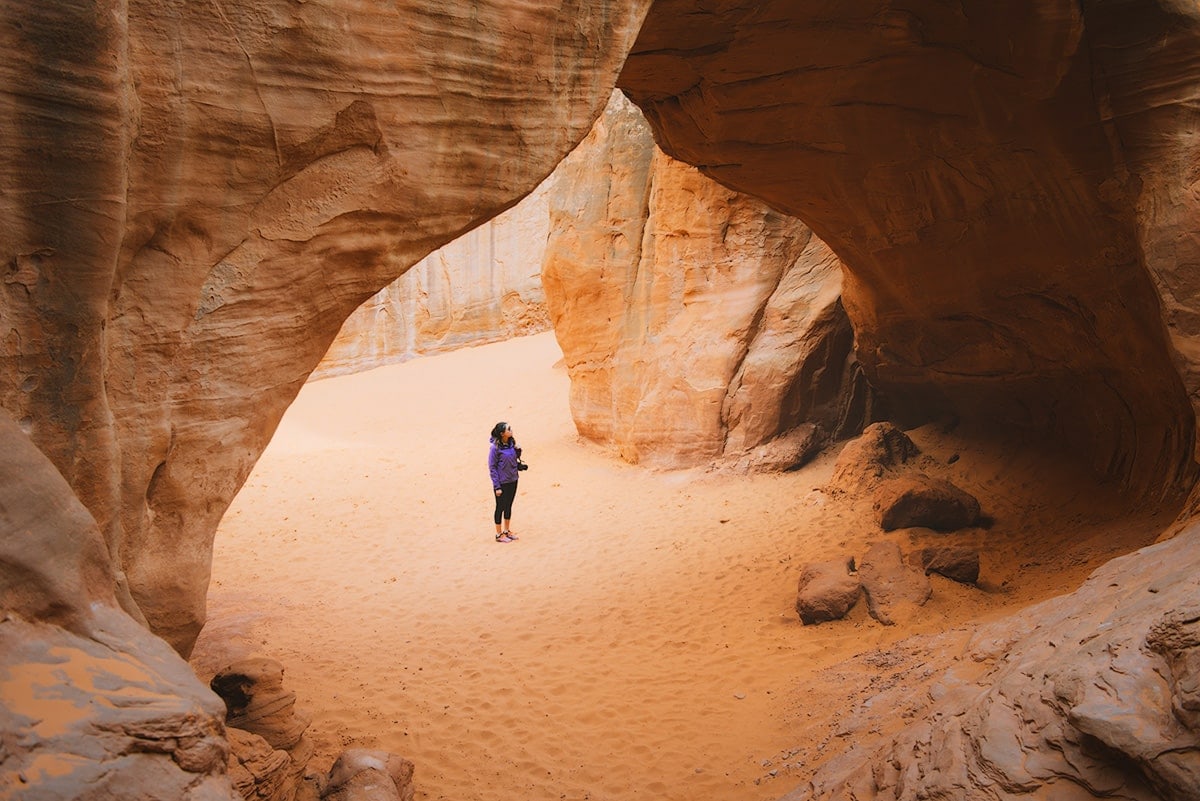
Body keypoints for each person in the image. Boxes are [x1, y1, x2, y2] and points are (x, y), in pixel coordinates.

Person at [488, 421, 522, 543]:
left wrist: (518, 451)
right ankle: (498, 534)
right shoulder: (495, 448)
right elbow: (492, 468)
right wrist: (497, 486)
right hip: (502, 483)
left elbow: (513, 459)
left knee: (508, 506)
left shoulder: (511, 444)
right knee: (500, 507)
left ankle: (507, 531)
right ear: (502, 433)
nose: (511, 430)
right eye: (508, 429)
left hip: (513, 480)